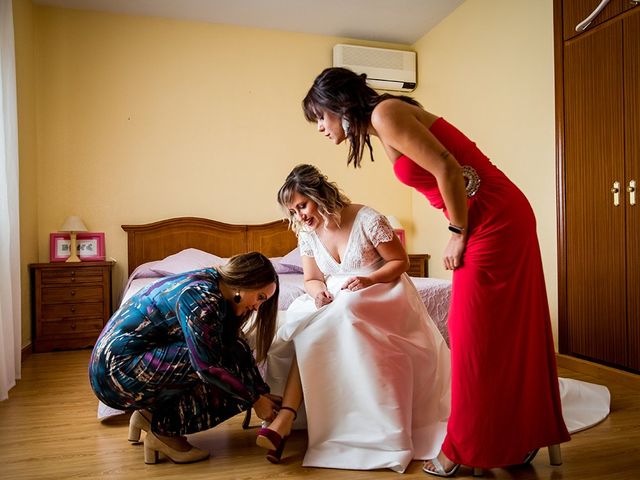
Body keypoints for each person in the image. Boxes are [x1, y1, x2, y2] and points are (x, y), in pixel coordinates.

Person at [302, 67, 572, 476]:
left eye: (320, 117)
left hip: (492, 221)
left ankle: (464, 447)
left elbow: (447, 167)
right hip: (487, 219)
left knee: (473, 338)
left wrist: (456, 232)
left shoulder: (385, 114)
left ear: (339, 105)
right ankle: (511, 434)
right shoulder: (384, 122)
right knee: (489, 335)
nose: (320, 128)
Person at [256, 164, 451, 472]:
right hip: (339, 294)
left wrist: (370, 281)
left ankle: (286, 417)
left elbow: (400, 262)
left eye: (302, 205)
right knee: (308, 325)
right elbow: (311, 278)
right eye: (293, 211)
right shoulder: (307, 233)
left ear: (318, 194)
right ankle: (287, 416)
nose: (300, 216)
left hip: (381, 290)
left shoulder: (367, 219)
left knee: (338, 315)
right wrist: (318, 291)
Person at [89, 252, 282, 465]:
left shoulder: (214, 284)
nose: (257, 307)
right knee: (213, 366)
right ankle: (165, 433)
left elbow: (236, 348)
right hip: (113, 375)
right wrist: (254, 398)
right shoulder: (202, 298)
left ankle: (150, 415)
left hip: (124, 364)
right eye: (260, 298)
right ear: (245, 282)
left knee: (231, 352)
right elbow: (207, 367)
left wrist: (261, 392)